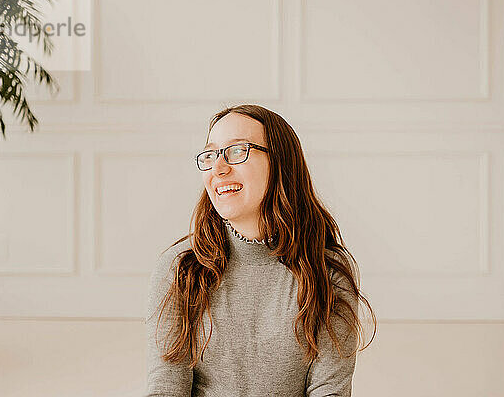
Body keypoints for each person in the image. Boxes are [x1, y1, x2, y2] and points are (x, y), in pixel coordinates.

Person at [144, 104, 376, 396]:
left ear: (280, 162)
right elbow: (165, 388)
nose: (218, 168)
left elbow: (330, 391)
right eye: (211, 154)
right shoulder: (179, 266)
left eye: (236, 151)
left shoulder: (327, 270)